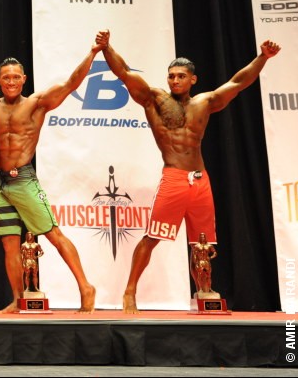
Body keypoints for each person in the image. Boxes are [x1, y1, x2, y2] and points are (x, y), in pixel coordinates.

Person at [96, 30, 280, 313]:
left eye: (181, 76)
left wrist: (263, 57)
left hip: (200, 180)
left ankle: (204, 292)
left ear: (193, 79)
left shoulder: (204, 103)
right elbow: (123, 73)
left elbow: (238, 82)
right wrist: (107, 48)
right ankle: (130, 291)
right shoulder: (154, 99)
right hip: (174, 178)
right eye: (171, 76)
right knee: (152, 237)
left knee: (202, 245)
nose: (175, 80)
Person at [0, 27, 97, 313]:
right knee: (10, 244)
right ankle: (17, 298)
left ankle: (86, 287)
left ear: (24, 79)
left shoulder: (37, 104)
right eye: (6, 78)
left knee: (54, 234)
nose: (11, 82)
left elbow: (72, 83)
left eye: (15, 77)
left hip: (23, 180)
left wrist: (93, 52)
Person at [190, 232, 217, 296]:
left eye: (203, 237)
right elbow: (195, 255)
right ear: (199, 238)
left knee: (208, 276)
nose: (202, 238)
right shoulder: (197, 246)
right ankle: (200, 289)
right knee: (199, 275)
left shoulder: (209, 246)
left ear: (205, 238)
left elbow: (215, 253)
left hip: (206, 262)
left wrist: (210, 257)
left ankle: (210, 288)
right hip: (200, 262)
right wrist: (196, 263)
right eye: (201, 237)